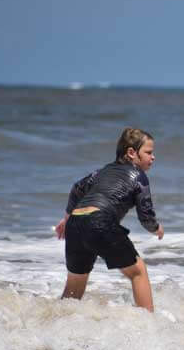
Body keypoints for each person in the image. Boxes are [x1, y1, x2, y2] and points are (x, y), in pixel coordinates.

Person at [55, 127, 164, 311]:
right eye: (148, 152)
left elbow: (76, 188)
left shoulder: (100, 172)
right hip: (100, 221)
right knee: (138, 272)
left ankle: (53, 326)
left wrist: (66, 219)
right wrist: (156, 228)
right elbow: (146, 216)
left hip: (76, 223)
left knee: (74, 289)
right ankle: (149, 326)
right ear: (131, 152)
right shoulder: (139, 176)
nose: (153, 157)